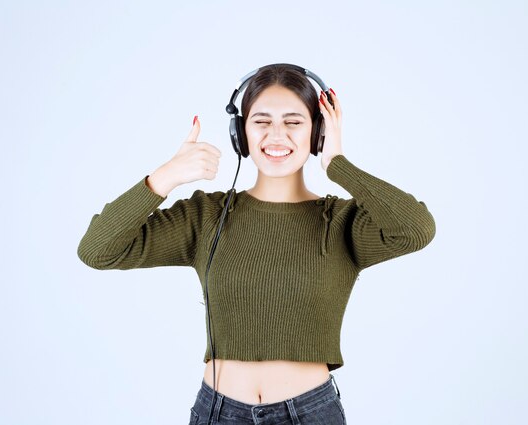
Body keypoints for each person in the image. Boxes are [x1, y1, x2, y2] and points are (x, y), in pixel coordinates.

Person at [77, 64, 436, 424]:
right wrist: (166, 175)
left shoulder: (342, 223)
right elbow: (98, 250)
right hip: (218, 412)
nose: (276, 135)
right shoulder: (206, 217)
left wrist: (338, 164)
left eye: (294, 122)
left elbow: (416, 229)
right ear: (241, 133)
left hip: (310, 413)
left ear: (317, 133)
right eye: (261, 122)